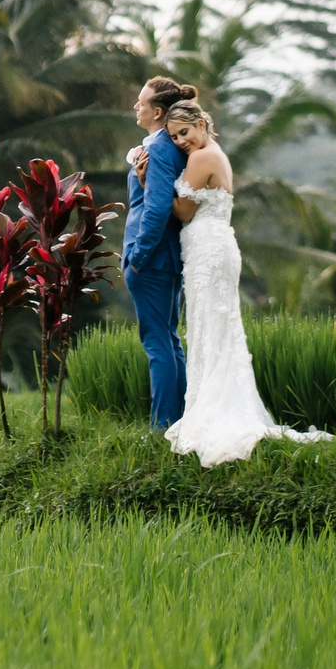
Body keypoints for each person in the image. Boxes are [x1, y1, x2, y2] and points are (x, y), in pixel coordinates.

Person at [159, 96, 332, 465]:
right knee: (213, 328)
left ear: (202, 124)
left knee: (210, 328)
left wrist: (149, 181)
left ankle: (215, 414)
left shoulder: (202, 158)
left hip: (208, 248)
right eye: (173, 137)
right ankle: (213, 405)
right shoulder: (216, 153)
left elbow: (184, 211)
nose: (180, 141)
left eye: (184, 132)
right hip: (214, 247)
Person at [120, 76, 193, 430]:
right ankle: (177, 421)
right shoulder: (164, 146)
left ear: (158, 112)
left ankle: (163, 426)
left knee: (156, 342)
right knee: (168, 339)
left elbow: (157, 208)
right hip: (165, 257)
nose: (136, 106)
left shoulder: (162, 149)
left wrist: (137, 257)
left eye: (142, 102)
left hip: (152, 259)